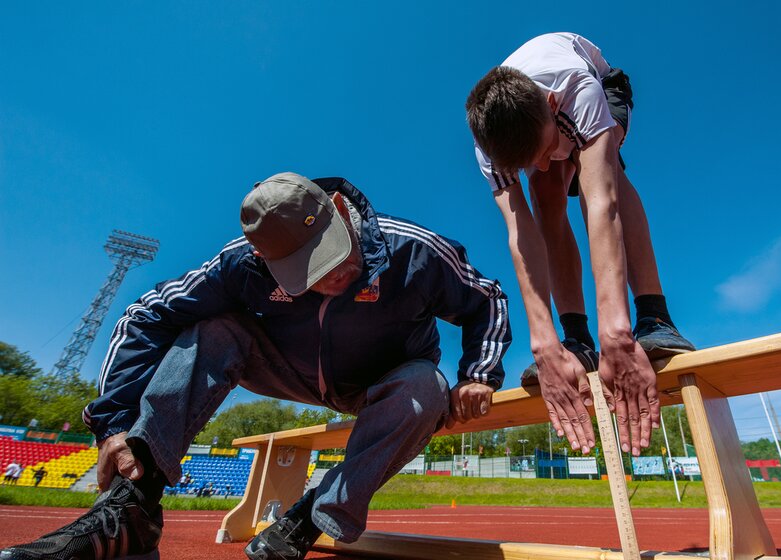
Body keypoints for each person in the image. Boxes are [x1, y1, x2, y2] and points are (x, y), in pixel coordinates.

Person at [1, 172, 510, 560]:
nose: (329, 278)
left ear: (336, 209)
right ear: (263, 259)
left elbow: (486, 299)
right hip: (285, 367)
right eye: (304, 273)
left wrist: (479, 373)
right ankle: (133, 507)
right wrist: (111, 425)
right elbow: (145, 316)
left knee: (427, 384)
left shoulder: (411, 250)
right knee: (213, 330)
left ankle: (309, 517)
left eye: (330, 255)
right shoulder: (240, 264)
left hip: (387, 380)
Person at [466, 32, 694, 457]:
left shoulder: (574, 90)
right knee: (545, 192)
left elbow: (601, 204)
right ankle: (577, 339)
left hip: (603, 84)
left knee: (608, 179)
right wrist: (545, 345)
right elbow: (521, 235)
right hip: (543, 114)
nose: (540, 162)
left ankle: (653, 316)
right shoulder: (487, 148)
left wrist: (618, 334)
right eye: (526, 160)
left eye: (545, 148)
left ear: (551, 108)